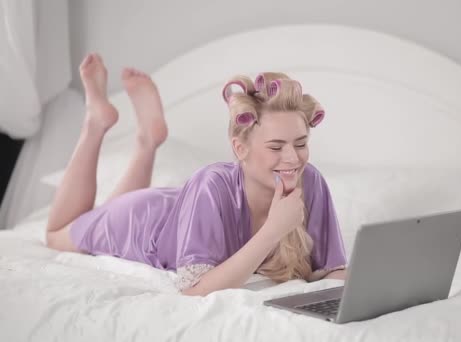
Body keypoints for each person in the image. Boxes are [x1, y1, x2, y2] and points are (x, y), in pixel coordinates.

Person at [45, 53, 348, 296]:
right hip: (145, 222)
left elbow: (334, 270)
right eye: (276, 146)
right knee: (56, 234)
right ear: (240, 148)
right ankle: (96, 122)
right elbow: (194, 291)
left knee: (106, 206)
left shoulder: (312, 182)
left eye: (301, 143)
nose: (293, 158)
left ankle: (148, 139)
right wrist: (273, 230)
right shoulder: (212, 182)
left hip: (185, 208)